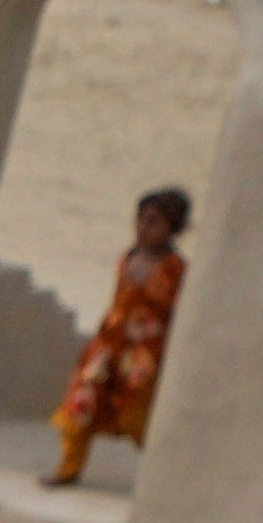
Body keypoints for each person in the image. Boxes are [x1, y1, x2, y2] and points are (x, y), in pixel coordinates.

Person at [42, 185, 187, 490]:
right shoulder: (128, 257)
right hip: (108, 345)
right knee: (82, 403)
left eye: (153, 222)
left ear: (171, 228)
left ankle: (165, 478)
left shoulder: (176, 269)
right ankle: (68, 468)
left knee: (136, 415)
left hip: (143, 353)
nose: (143, 228)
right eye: (141, 219)